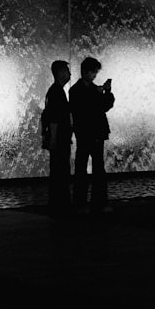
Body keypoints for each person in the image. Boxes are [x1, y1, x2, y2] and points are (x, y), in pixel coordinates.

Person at [69, 57, 114, 213]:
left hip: (96, 134)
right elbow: (83, 109)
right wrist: (99, 92)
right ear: (85, 72)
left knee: (98, 168)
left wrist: (107, 91)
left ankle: (98, 202)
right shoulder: (76, 90)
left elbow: (106, 105)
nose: (95, 75)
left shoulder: (92, 89)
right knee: (82, 168)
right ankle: (81, 203)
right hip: (85, 134)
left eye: (95, 72)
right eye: (93, 72)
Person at [42, 60, 73, 214]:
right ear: (60, 73)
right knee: (60, 171)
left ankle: (58, 203)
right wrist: (54, 139)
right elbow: (54, 118)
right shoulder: (57, 92)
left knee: (58, 170)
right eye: (67, 71)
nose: (70, 74)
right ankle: (60, 204)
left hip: (59, 138)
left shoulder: (54, 91)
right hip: (59, 139)